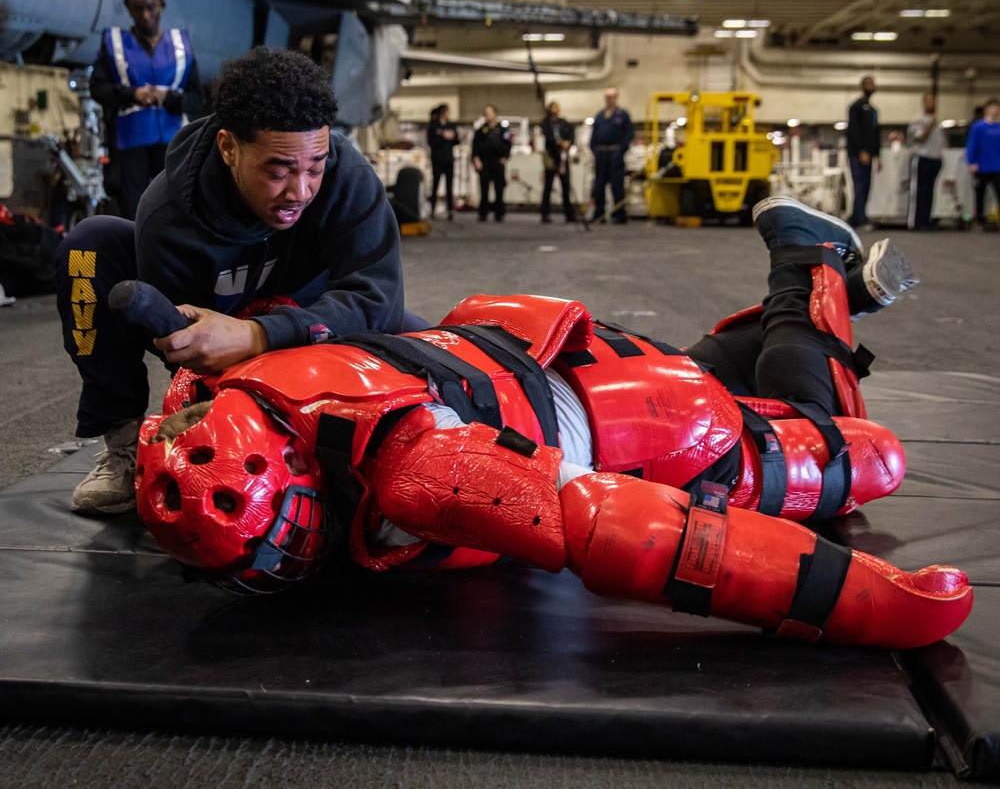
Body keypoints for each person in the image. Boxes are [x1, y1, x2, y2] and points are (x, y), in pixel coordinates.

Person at [133, 197, 970, 650]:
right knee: (707, 370)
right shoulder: (228, 384)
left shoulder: (423, 468)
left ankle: (809, 270)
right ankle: (805, 297)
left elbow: (633, 533)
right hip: (549, 350)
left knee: (861, 451)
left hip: (662, 433)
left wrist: (872, 603)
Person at [55, 46, 411, 518]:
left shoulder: (344, 173)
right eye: (277, 171)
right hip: (213, 329)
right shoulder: (168, 215)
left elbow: (380, 299)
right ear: (228, 148)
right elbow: (190, 363)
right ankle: (124, 450)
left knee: (433, 356)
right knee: (88, 245)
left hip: (314, 322)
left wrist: (262, 334)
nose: (299, 192)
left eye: (314, 168)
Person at [91, 0, 204, 220]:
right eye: (137, 9)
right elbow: (97, 89)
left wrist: (170, 98)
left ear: (161, 5)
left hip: (173, 142)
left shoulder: (180, 46)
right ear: (128, 10)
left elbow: (198, 99)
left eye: (151, 7)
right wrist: (131, 94)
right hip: (130, 142)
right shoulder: (115, 44)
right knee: (131, 209)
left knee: (174, 205)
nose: (145, 15)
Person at [589, 87, 634, 224]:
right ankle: (599, 213)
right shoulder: (600, 116)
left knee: (617, 186)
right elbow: (594, 135)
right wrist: (594, 150)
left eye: (612, 96)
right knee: (599, 185)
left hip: (615, 154)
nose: (609, 99)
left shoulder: (623, 115)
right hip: (601, 155)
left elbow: (629, 135)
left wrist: (620, 151)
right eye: (607, 97)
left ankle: (619, 214)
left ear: (616, 98)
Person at [845, 75, 881, 230]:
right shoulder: (856, 107)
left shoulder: (873, 110)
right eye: (867, 84)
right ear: (862, 86)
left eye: (872, 84)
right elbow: (853, 131)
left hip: (870, 155)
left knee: (866, 185)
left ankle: (855, 217)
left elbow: (875, 133)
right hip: (858, 154)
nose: (870, 86)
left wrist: (877, 155)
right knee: (859, 185)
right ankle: (860, 218)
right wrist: (861, 151)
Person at [905, 93, 945, 231]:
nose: (931, 104)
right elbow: (919, 138)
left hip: (935, 159)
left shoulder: (937, 121)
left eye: (933, 102)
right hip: (921, 158)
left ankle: (926, 220)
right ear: (924, 103)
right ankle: (915, 222)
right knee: (919, 191)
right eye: (928, 102)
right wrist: (930, 125)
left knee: (929, 192)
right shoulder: (918, 119)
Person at [538, 101, 577, 223]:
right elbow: (548, 137)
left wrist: (568, 143)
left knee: (565, 186)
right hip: (551, 156)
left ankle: (569, 214)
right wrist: (558, 142)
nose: (555, 110)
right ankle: (545, 214)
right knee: (548, 186)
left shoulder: (564, 123)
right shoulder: (545, 123)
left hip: (563, 157)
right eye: (553, 108)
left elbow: (571, 134)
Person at [471, 105, 512, 222]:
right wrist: (476, 159)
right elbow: (475, 146)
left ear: (495, 114)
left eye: (490, 113)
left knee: (499, 188)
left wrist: (505, 157)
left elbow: (509, 143)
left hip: (498, 161)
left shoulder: (503, 129)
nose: (488, 115)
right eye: (486, 113)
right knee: (484, 189)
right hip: (485, 162)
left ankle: (499, 213)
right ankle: (483, 212)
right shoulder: (481, 130)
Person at [965, 97, 1000, 230]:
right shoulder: (978, 126)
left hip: (997, 166)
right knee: (980, 195)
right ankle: (979, 220)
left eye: (997, 107)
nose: (995, 110)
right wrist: (971, 161)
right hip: (982, 166)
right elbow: (972, 144)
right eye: (993, 107)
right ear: (987, 109)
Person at [427, 103, 458, 221]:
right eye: (448, 111)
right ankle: (433, 209)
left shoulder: (451, 125)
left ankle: (450, 209)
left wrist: (454, 137)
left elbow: (455, 140)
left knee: (449, 186)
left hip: (449, 159)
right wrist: (443, 136)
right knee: (435, 185)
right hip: (437, 159)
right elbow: (431, 141)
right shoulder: (434, 126)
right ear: (443, 113)